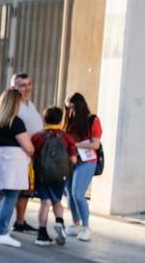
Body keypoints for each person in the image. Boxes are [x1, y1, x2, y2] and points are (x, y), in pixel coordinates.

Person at [0, 89, 35, 248]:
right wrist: (31, 149)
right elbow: (29, 147)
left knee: (5, 196)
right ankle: (2, 232)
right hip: (13, 163)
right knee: (11, 197)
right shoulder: (15, 122)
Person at [31, 106, 76, 247]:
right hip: (60, 176)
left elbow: (31, 155)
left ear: (44, 119)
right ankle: (59, 222)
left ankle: (42, 234)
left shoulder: (38, 136)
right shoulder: (67, 137)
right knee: (57, 202)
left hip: (42, 175)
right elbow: (74, 160)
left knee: (45, 203)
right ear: (61, 119)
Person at [64, 92, 103, 242]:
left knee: (77, 193)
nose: (70, 111)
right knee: (69, 193)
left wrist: (75, 144)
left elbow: (95, 144)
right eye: (67, 108)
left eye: (72, 107)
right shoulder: (69, 119)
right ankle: (76, 223)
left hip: (87, 161)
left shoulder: (93, 120)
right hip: (71, 161)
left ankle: (86, 227)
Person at [10, 72, 43, 233]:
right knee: (7, 189)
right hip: (17, 153)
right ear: (13, 87)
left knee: (25, 190)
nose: (27, 88)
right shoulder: (12, 106)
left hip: (30, 154)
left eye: (29, 84)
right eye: (22, 85)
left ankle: (20, 221)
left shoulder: (30, 104)